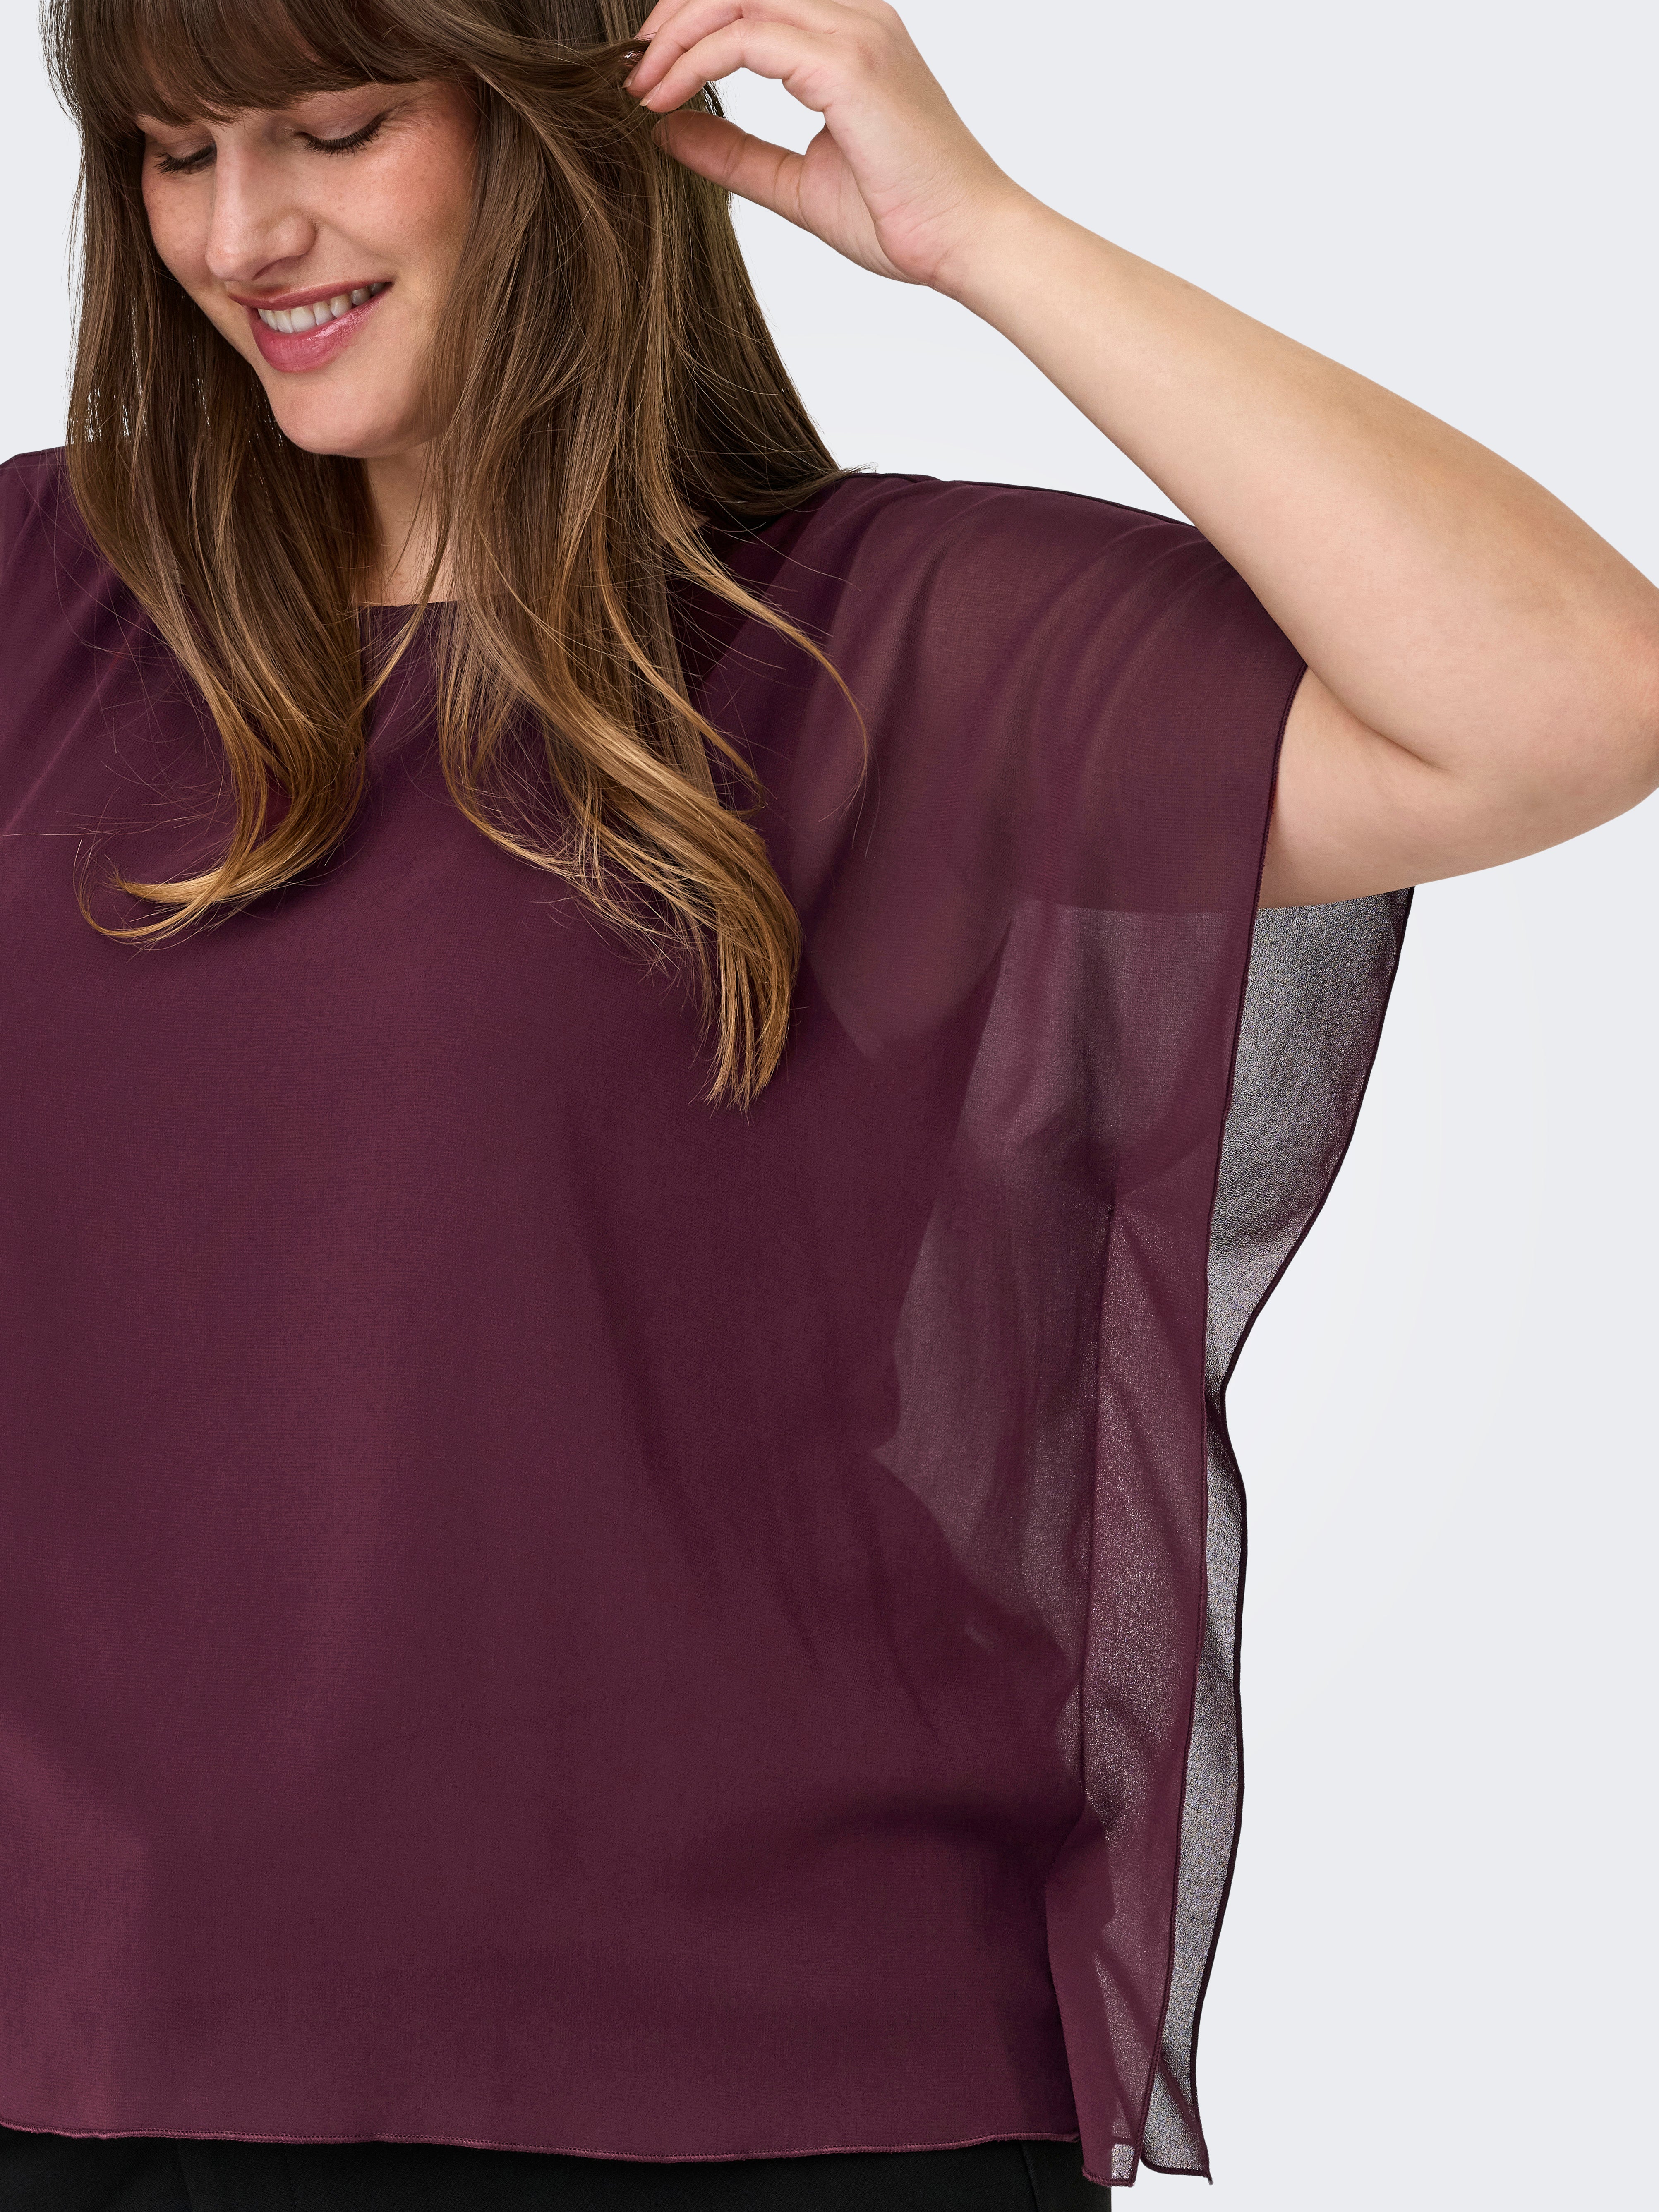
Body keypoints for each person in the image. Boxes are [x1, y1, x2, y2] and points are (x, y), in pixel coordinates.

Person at [0, 2, 1653, 2209]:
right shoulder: (39, 605)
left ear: (567, 128)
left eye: (334, 127)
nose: (240, 234)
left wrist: (981, 235)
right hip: (97, 2058)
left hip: (786, 2086)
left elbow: (1568, 696)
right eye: (173, 152)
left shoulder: (879, 635)